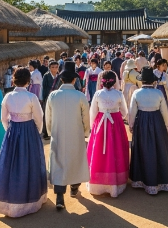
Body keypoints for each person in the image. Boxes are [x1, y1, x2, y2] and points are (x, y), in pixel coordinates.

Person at [0, 68, 47, 218]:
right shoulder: (31, 97)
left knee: (11, 165)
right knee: (30, 163)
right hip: (29, 131)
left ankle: (11, 201)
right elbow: (39, 117)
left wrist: (9, 131)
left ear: (14, 80)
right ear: (28, 81)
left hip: (12, 131)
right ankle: (31, 199)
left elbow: (4, 118)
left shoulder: (7, 97)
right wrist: (36, 132)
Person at [45, 61, 91, 209]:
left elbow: (49, 118)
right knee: (75, 160)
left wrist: (51, 132)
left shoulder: (53, 96)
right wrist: (85, 132)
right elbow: (86, 117)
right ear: (74, 79)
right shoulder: (80, 96)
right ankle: (74, 188)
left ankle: (59, 196)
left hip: (57, 133)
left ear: (61, 79)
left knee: (58, 162)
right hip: (76, 133)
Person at [128, 67, 168, 195]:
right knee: (159, 149)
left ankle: (142, 179)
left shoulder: (137, 93)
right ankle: (162, 180)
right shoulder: (158, 93)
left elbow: (132, 112)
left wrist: (131, 125)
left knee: (143, 149)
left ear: (142, 80)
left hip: (142, 122)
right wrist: (166, 125)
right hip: (157, 122)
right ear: (153, 81)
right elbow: (164, 112)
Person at [86, 70, 129, 198]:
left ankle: (98, 181)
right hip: (115, 123)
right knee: (116, 149)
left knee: (99, 151)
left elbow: (93, 112)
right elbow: (125, 112)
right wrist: (116, 115)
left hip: (101, 123)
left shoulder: (98, 94)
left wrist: (93, 125)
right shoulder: (119, 94)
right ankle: (116, 182)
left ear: (102, 81)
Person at [153, 59, 168, 134]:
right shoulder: (153, 73)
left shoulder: (166, 75)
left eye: (165, 65)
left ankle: (166, 129)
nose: (165, 66)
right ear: (158, 66)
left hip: (163, 93)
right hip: (155, 93)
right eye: (163, 65)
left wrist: (164, 84)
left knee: (164, 110)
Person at [41, 61, 60, 139]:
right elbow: (43, 87)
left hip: (57, 98)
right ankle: (46, 132)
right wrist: (43, 97)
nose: (54, 69)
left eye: (56, 67)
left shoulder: (59, 77)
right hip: (47, 97)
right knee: (47, 114)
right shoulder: (46, 76)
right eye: (52, 67)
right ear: (49, 68)